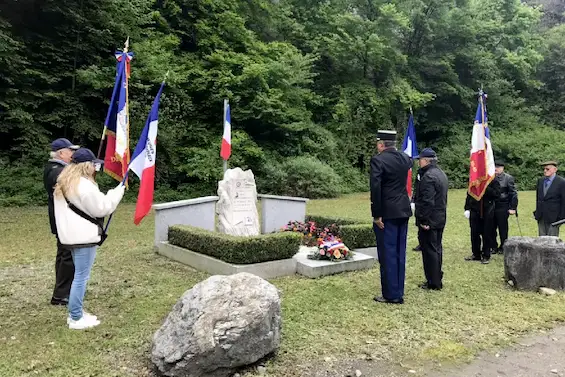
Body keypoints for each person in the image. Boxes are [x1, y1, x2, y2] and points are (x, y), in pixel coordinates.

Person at [54, 148, 125, 329]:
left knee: (78, 275)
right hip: (83, 237)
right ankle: (76, 317)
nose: (96, 168)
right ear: (88, 166)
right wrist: (118, 191)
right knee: (81, 277)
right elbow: (102, 208)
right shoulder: (84, 186)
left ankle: (76, 311)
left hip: (70, 236)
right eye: (94, 165)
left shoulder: (64, 182)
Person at [370, 130, 412, 304]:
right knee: (399, 251)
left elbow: (376, 188)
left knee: (387, 252)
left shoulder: (378, 160)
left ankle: (391, 294)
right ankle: (398, 289)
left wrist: (377, 214)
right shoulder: (405, 158)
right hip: (403, 209)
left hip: (387, 212)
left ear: (381, 144)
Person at [44, 138, 80, 305]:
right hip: (63, 220)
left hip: (63, 219)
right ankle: (61, 295)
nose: (72, 154)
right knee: (67, 257)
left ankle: (61, 291)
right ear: (60, 153)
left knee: (64, 255)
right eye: (70, 151)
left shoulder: (60, 168)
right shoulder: (55, 170)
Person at [413, 148, 448, 290]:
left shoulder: (428, 177)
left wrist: (424, 220)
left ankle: (433, 282)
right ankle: (436, 277)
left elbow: (428, 201)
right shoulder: (441, 174)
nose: (418, 162)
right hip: (439, 217)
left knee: (430, 250)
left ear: (426, 161)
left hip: (430, 219)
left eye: (420, 160)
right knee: (437, 248)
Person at [464, 178, 501, 264]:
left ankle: (486, 255)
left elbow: (497, 194)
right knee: (474, 233)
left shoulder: (493, 181)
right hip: (474, 210)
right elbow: (469, 194)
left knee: (486, 234)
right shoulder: (474, 179)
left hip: (487, 210)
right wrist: (467, 208)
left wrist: (484, 187)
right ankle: (476, 253)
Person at [492, 160, 518, 253]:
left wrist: (513, 207)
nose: (496, 169)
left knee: (502, 228)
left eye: (498, 167)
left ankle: (503, 246)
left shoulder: (508, 178)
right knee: (491, 227)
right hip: (491, 205)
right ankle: (493, 246)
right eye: (495, 166)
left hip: (503, 205)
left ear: (502, 168)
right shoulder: (490, 177)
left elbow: (513, 193)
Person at [534, 161, 565, 236]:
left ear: (555, 169)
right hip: (541, 216)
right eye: (544, 169)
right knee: (541, 241)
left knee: (552, 243)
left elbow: (564, 201)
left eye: (547, 169)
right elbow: (538, 198)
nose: (545, 171)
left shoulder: (561, 182)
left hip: (554, 218)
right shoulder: (540, 181)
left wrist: (561, 218)